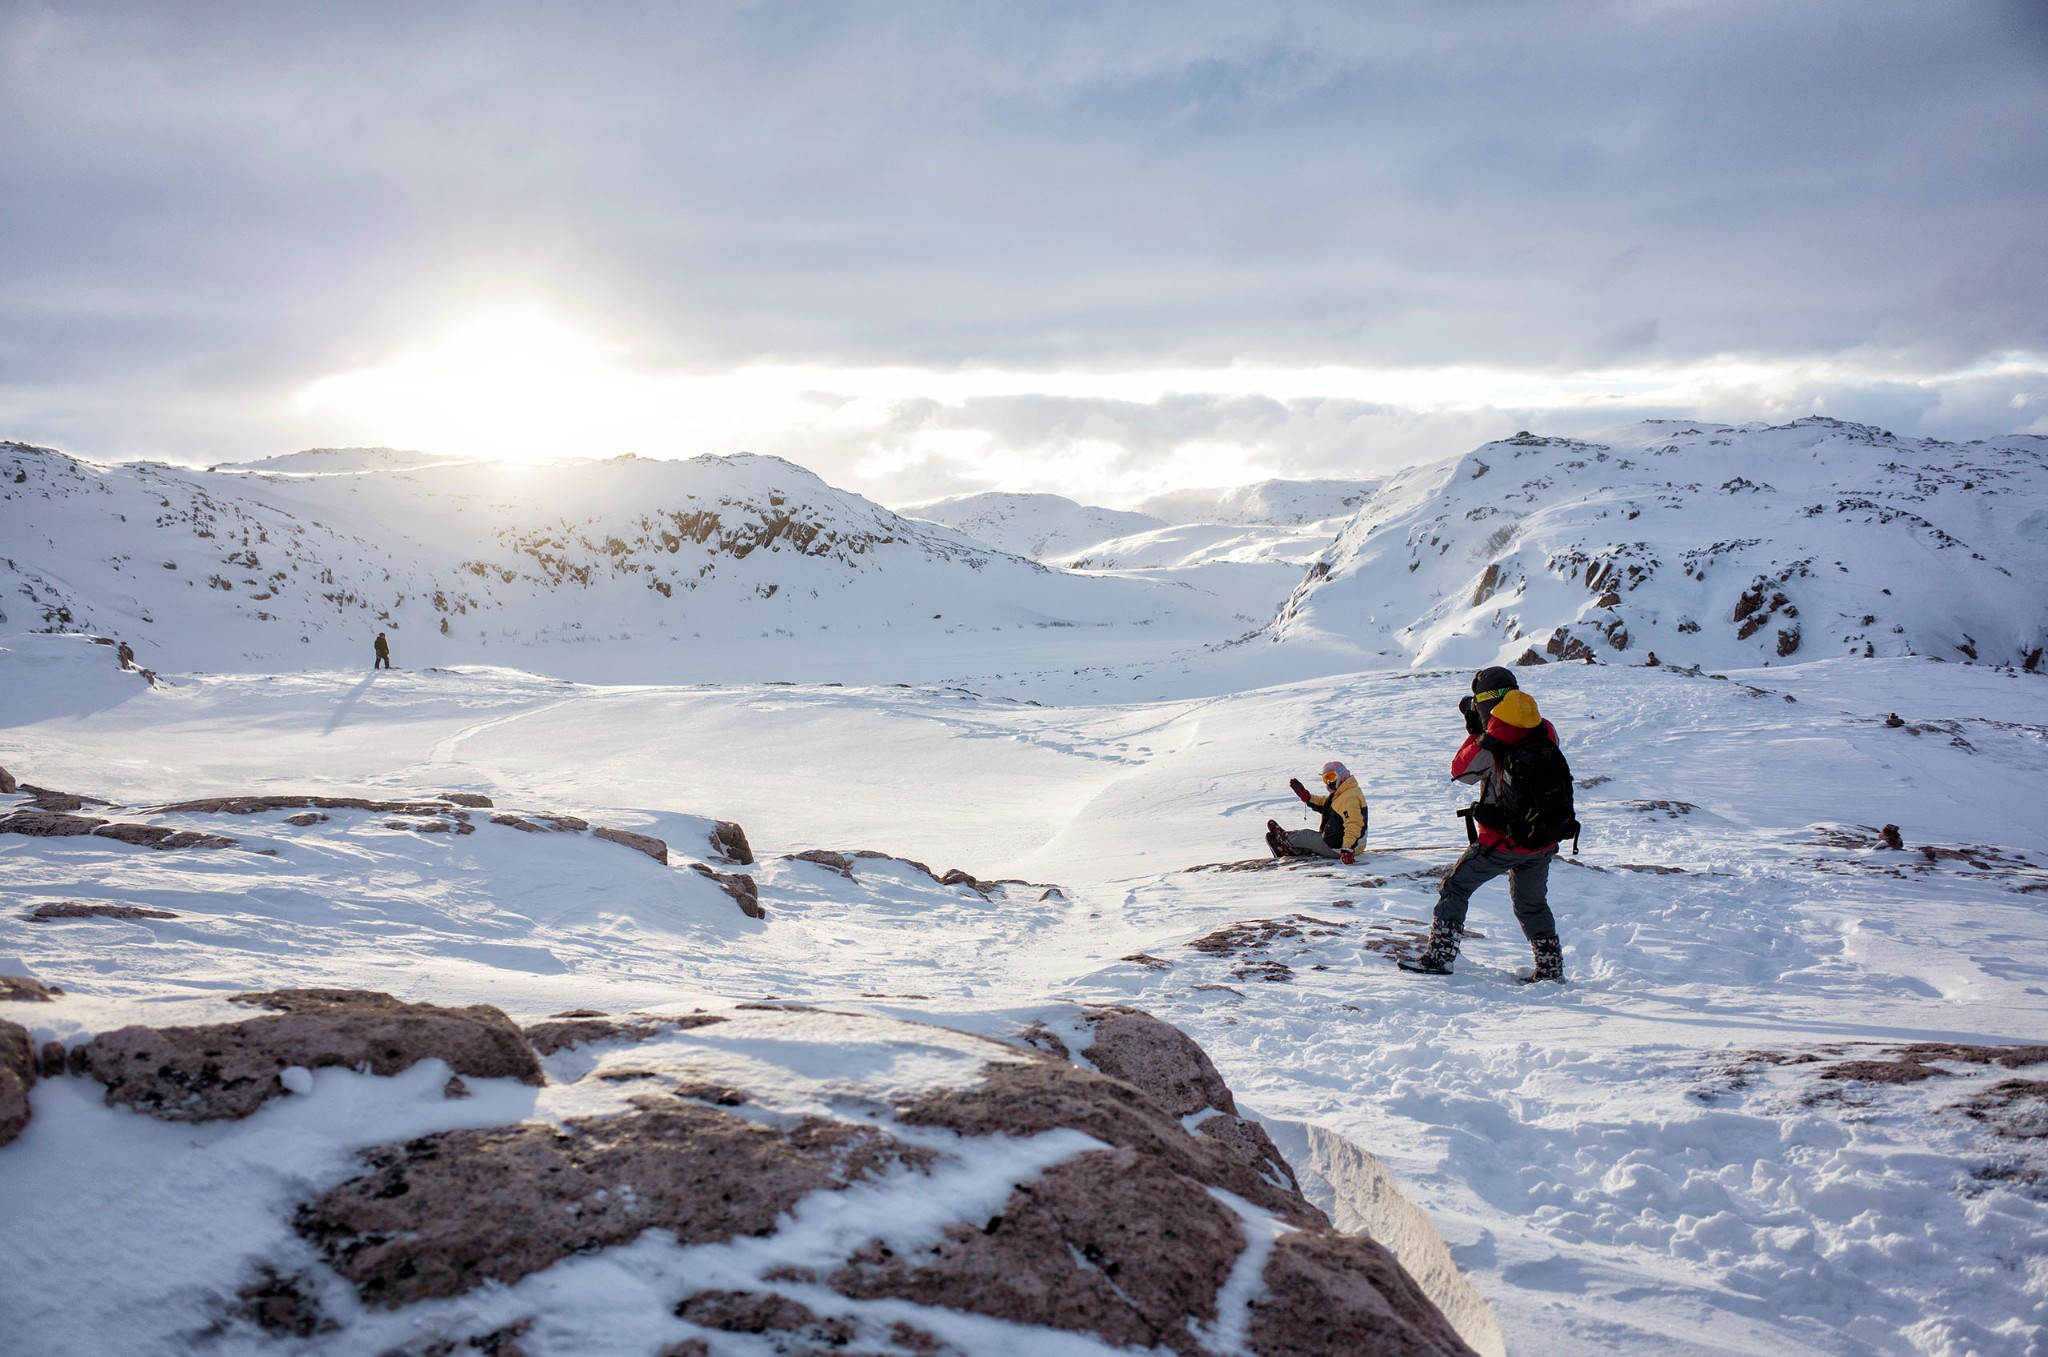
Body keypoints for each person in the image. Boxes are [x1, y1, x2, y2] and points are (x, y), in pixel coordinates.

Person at [1402, 666, 1568, 981]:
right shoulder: (1545, 728)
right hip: (1543, 838)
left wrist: (1475, 732)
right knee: (1531, 904)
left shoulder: (1493, 737)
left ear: (1485, 700)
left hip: (1503, 840)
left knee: (1455, 886)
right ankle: (1550, 969)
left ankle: (1440, 957)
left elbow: (1461, 772)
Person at [1266, 760, 1368, 863]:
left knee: (1306, 835)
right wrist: (1307, 797)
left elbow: (1354, 825)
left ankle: (1284, 838)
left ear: (1342, 775)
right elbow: (1325, 804)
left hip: (1341, 848)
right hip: (1339, 842)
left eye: (1331, 777)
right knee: (1311, 840)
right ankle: (1289, 849)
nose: (1329, 782)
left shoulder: (1351, 797)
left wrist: (1347, 850)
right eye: (1326, 779)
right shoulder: (1344, 793)